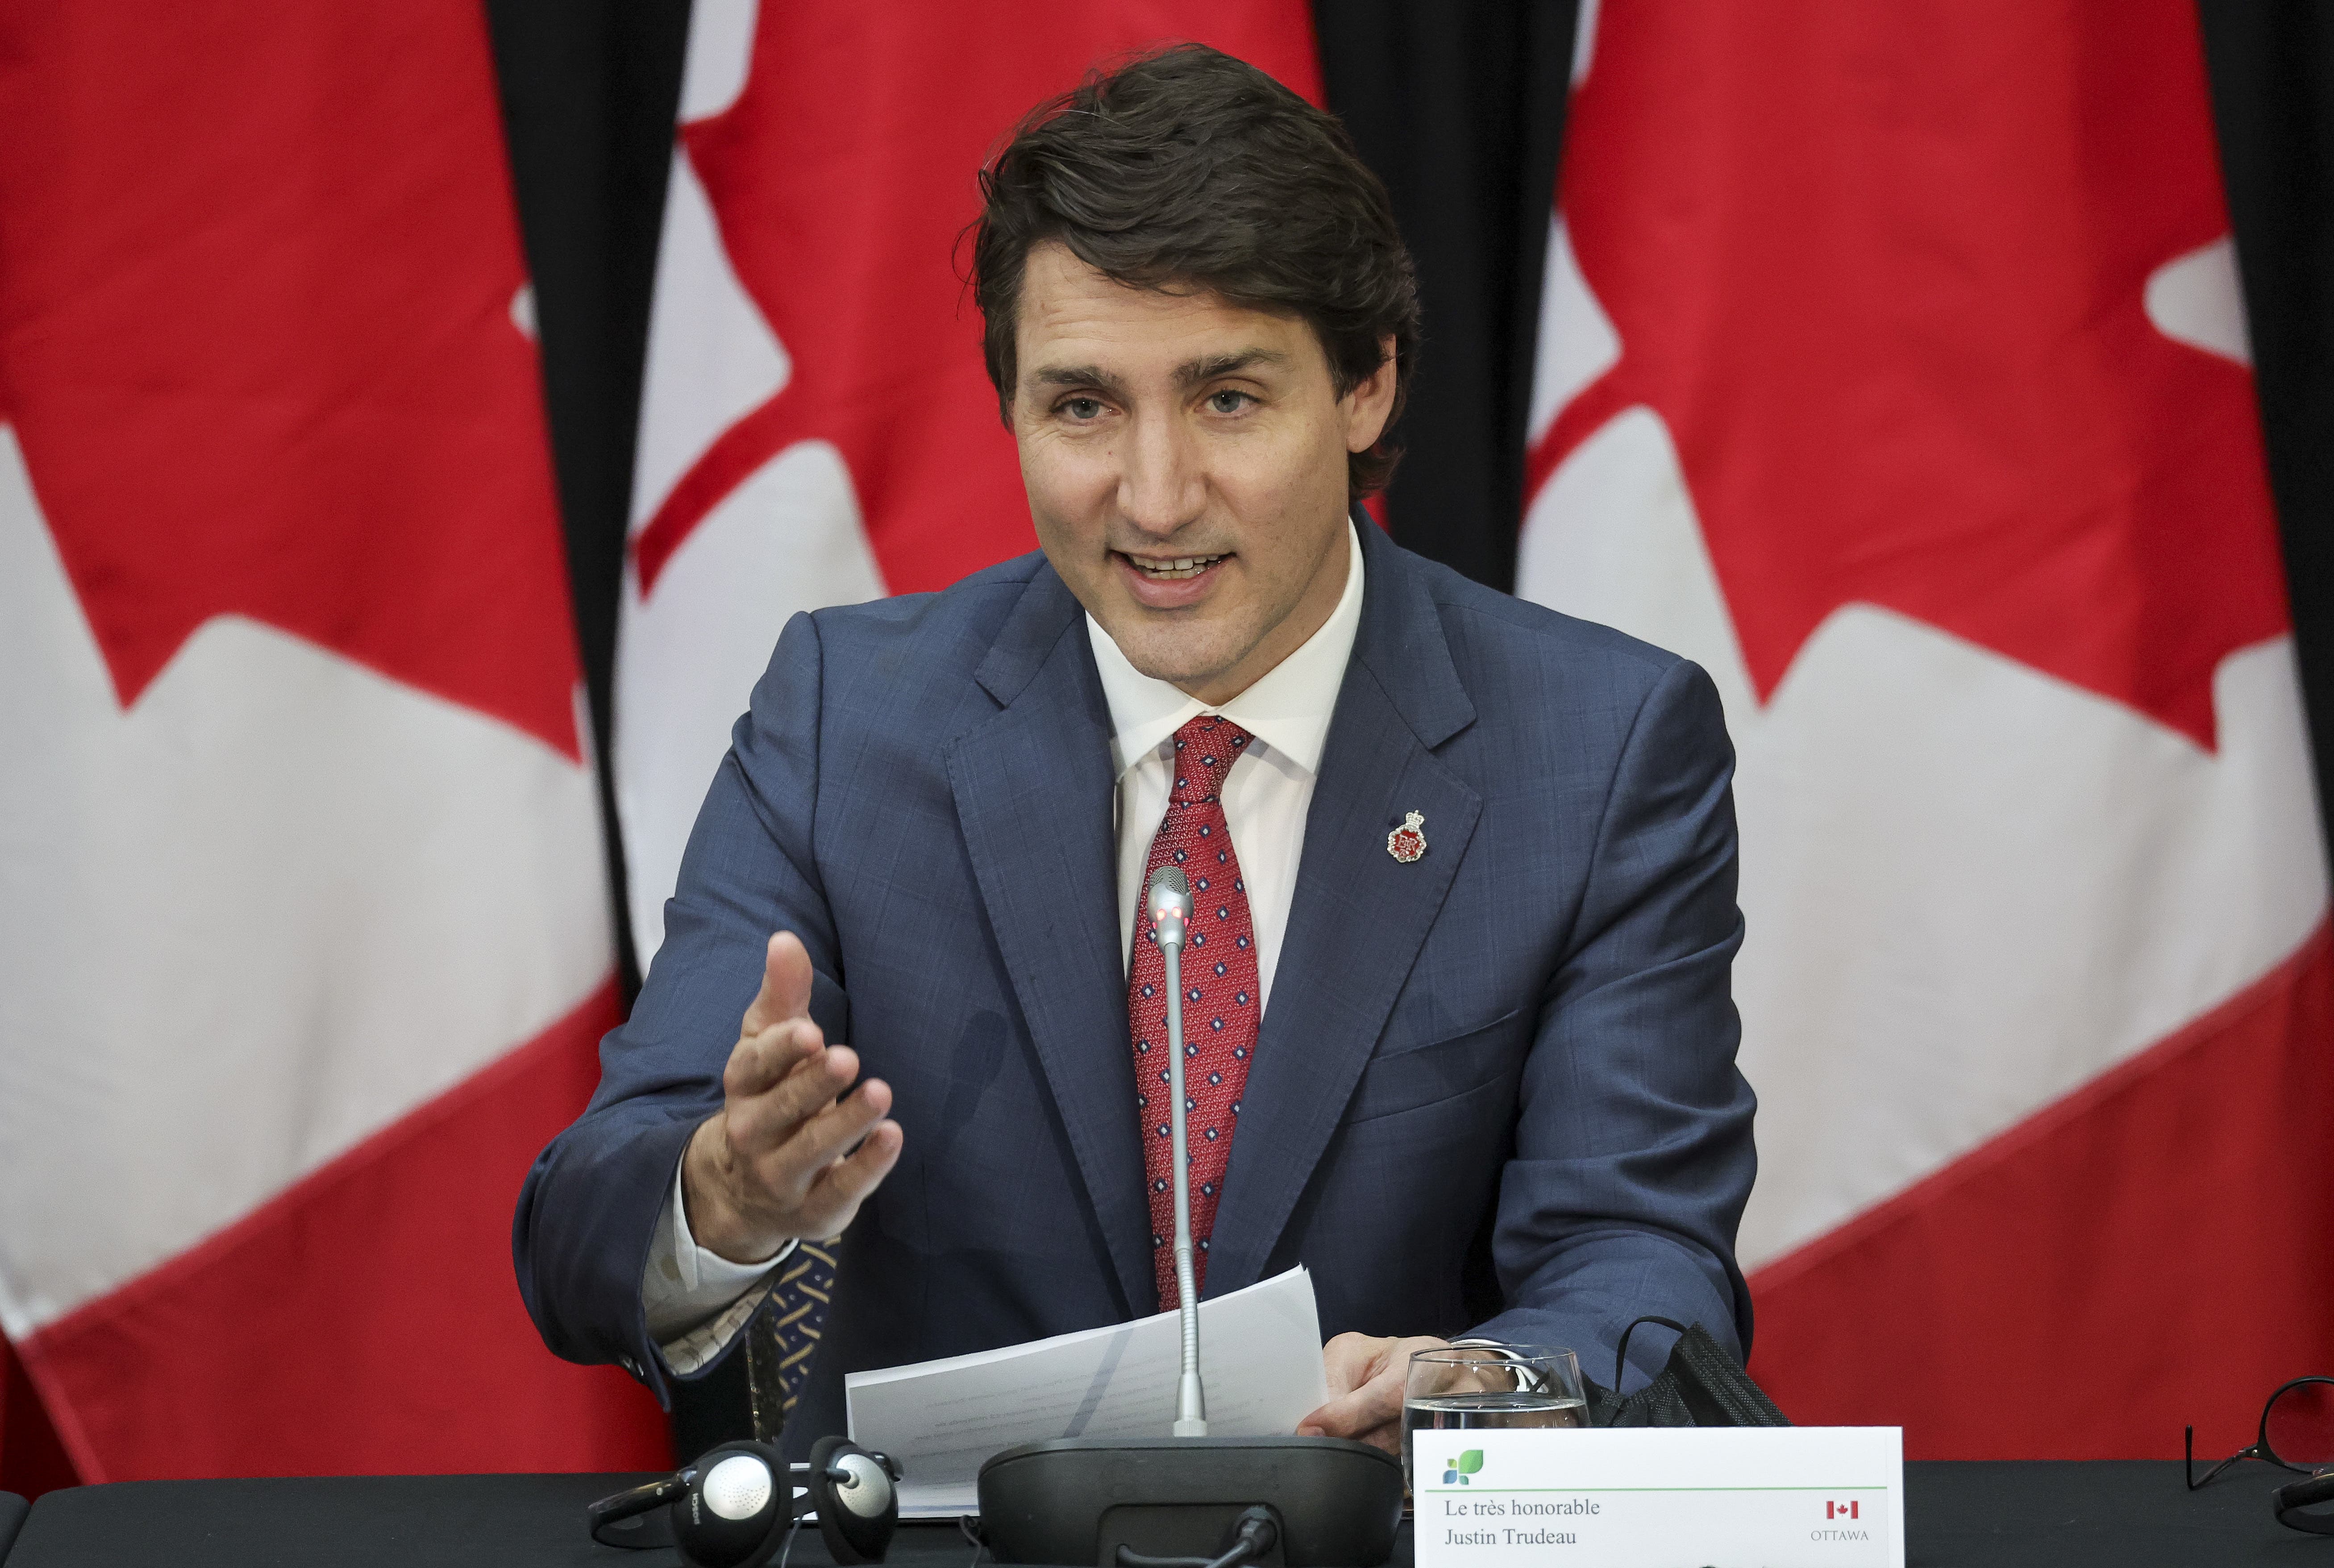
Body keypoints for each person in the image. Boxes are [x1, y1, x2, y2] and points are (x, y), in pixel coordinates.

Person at [515, 42, 1756, 1459]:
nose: (1155, 498)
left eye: (1228, 398)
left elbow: (1649, 1265)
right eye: (1084, 406)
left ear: (1365, 390)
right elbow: (580, 1228)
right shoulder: (844, 720)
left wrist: (1489, 1381)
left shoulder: (1597, 751)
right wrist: (723, 1197)